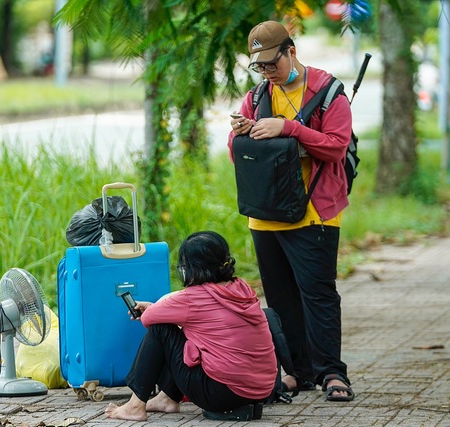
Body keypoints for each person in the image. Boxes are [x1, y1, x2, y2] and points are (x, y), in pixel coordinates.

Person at [227, 20, 354, 402]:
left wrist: (288, 128)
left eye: (272, 63)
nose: (267, 72)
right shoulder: (255, 97)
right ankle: (296, 372)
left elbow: (335, 147)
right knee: (280, 298)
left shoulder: (328, 92)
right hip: (265, 214)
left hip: (314, 212)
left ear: (291, 51)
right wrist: (242, 133)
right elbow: (239, 155)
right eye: (259, 66)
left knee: (317, 294)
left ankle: (331, 372)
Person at [104, 231, 278, 421]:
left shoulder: (193, 297)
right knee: (187, 334)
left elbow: (149, 319)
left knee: (161, 330)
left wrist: (155, 309)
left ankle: (135, 406)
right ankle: (166, 399)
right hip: (261, 389)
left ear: (193, 268)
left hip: (221, 393)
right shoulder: (241, 288)